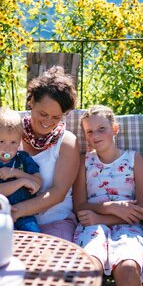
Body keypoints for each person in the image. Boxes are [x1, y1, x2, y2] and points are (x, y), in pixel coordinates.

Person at [73, 105, 143, 286]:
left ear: (114, 129)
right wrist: (111, 207)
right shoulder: (84, 162)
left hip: (127, 227)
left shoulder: (134, 159)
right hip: (92, 227)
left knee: (128, 270)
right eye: (90, 131)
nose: (96, 135)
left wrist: (101, 218)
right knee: (89, 268)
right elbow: (79, 206)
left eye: (102, 129)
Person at [11, 66, 80, 241]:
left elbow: (58, 193)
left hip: (54, 221)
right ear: (31, 102)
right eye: (43, 114)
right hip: (9, 222)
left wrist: (13, 212)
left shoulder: (67, 142)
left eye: (56, 117)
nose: (48, 122)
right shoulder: (9, 134)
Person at [0, 107, 41, 232]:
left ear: (19, 142)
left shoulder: (23, 158)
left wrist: (17, 173)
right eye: (1, 141)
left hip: (24, 215)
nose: (7, 148)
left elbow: (38, 182)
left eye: (13, 142)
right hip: (1, 214)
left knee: (34, 237)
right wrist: (21, 182)